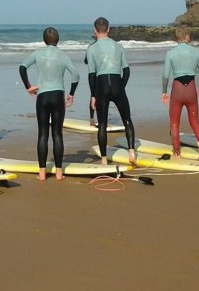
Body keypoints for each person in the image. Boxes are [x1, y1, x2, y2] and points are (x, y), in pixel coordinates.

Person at [19, 27, 79, 181]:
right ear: (58, 40)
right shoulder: (63, 55)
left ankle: (42, 173)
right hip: (58, 95)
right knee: (57, 134)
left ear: (44, 40)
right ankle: (59, 173)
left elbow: (22, 67)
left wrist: (28, 87)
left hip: (43, 96)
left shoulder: (37, 54)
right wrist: (71, 94)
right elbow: (76, 75)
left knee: (43, 134)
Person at [85, 17, 137, 165]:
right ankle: (131, 152)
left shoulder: (92, 49)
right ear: (108, 29)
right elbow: (126, 71)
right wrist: (121, 87)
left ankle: (103, 160)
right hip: (117, 84)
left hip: (101, 85)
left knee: (102, 124)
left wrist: (93, 95)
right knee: (127, 120)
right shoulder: (118, 46)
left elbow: (91, 75)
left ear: (95, 31)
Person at [161, 27, 199, 161]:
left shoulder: (170, 53)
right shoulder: (196, 52)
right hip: (191, 89)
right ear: (187, 37)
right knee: (195, 121)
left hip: (177, 90)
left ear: (177, 38)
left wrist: (164, 91)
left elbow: (165, 75)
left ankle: (177, 153)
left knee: (174, 123)